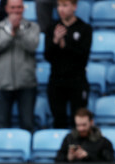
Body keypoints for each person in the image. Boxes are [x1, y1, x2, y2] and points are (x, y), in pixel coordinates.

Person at [0, 0, 39, 132]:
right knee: (2, 124)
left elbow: (33, 46)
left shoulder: (32, 27)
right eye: (12, 7)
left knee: (27, 124)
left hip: (26, 84)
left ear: (23, 8)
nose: (16, 11)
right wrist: (11, 34)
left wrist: (19, 32)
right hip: (3, 84)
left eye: (19, 7)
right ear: (6, 9)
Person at [44, 0, 92, 129]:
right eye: (59, 6)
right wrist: (55, 41)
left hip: (77, 81)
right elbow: (47, 56)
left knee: (78, 121)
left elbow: (83, 58)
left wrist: (66, 46)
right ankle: (63, 147)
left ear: (74, 7)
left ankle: (76, 148)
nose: (61, 9)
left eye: (65, 5)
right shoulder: (52, 28)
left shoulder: (84, 28)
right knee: (59, 120)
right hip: (56, 81)